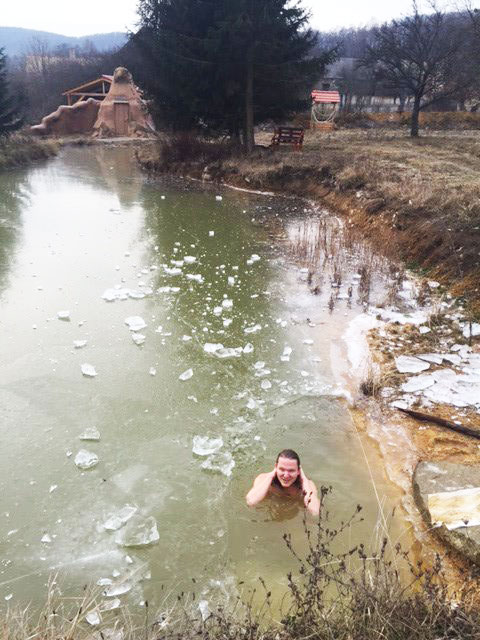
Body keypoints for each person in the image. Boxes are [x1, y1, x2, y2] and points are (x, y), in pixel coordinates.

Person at [245, 449, 320, 516]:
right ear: (276, 467)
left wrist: (303, 479)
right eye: (282, 469)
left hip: (292, 514)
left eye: (291, 470)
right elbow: (251, 502)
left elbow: (315, 511)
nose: (286, 475)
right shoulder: (263, 478)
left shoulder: (307, 484)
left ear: (298, 471)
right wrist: (271, 476)